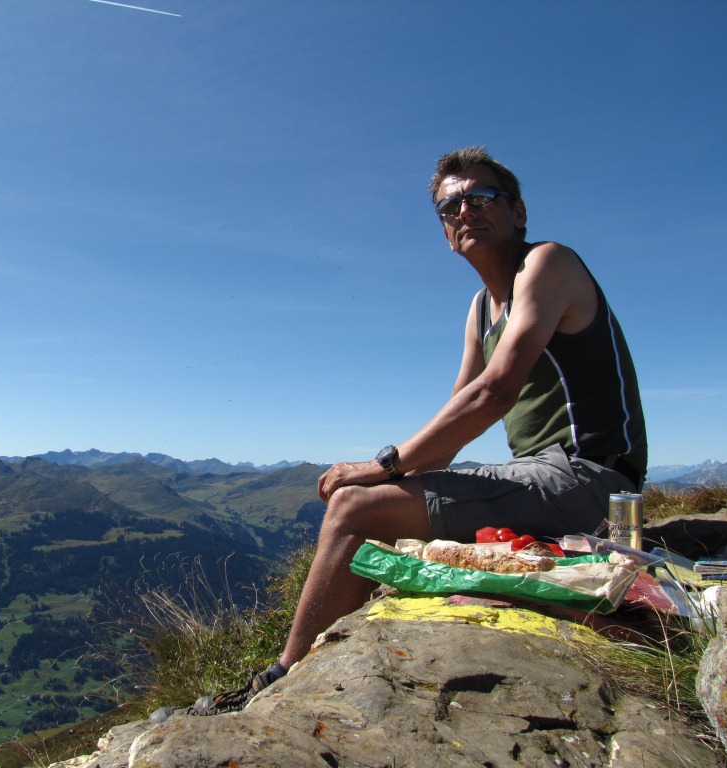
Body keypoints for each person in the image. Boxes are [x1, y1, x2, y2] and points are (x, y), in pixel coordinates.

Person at [189, 146, 648, 716]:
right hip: (542, 476)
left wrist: (380, 469)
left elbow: (493, 393)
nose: (464, 211)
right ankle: (309, 663)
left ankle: (280, 682)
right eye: (449, 206)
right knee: (365, 502)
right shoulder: (481, 308)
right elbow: (458, 413)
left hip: (590, 480)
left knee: (356, 509)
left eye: (480, 197)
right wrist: (393, 480)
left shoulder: (547, 265)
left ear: (518, 211)